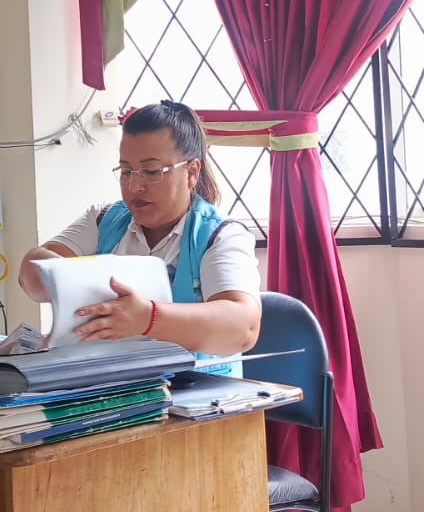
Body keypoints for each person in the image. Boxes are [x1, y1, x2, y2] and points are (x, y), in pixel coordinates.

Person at [18, 100, 261, 365]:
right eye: (126, 171)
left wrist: (148, 318)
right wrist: (79, 283)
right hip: (110, 381)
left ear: (191, 172)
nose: (134, 186)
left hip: (195, 386)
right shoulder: (104, 219)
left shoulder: (222, 236)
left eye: (151, 171)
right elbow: (31, 270)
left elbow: (244, 329)